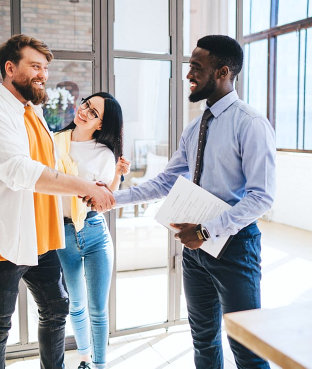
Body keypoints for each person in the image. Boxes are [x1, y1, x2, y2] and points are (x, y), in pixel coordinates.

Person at [114, 35, 275, 369]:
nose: (189, 74)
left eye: (196, 67)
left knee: (247, 347)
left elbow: (261, 197)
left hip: (235, 249)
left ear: (223, 71)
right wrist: (112, 199)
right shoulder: (195, 127)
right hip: (195, 253)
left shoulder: (251, 124)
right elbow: (165, 181)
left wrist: (205, 230)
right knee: (203, 339)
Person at [0, 34, 114, 369]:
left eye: (45, 68)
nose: (43, 74)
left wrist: (93, 182)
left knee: (56, 307)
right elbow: (20, 170)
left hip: (40, 237)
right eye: (35, 66)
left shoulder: (32, 110)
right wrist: (86, 187)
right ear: (10, 68)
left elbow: (53, 164)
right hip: (5, 241)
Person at [54, 92, 130, 369]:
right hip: (63, 233)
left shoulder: (104, 153)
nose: (84, 111)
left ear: (101, 125)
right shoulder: (54, 143)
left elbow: (105, 199)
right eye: (86, 104)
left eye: (94, 112)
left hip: (95, 231)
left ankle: (99, 365)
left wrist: (117, 176)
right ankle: (84, 356)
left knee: (98, 309)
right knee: (75, 304)